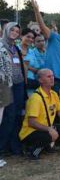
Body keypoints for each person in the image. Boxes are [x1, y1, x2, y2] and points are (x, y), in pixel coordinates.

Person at [19, 69, 60, 160]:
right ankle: (32, 151)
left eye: (52, 76)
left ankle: (47, 145)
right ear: (40, 80)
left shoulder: (54, 94)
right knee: (49, 135)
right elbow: (31, 122)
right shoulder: (36, 98)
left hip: (46, 128)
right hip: (30, 132)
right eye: (48, 76)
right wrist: (49, 129)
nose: (52, 78)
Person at [0, 22, 27, 157]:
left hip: (19, 84)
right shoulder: (1, 46)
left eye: (17, 31)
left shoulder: (15, 48)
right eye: (12, 30)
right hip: (6, 86)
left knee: (17, 115)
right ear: (6, 30)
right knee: (8, 116)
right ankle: (2, 147)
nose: (15, 32)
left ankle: (14, 146)